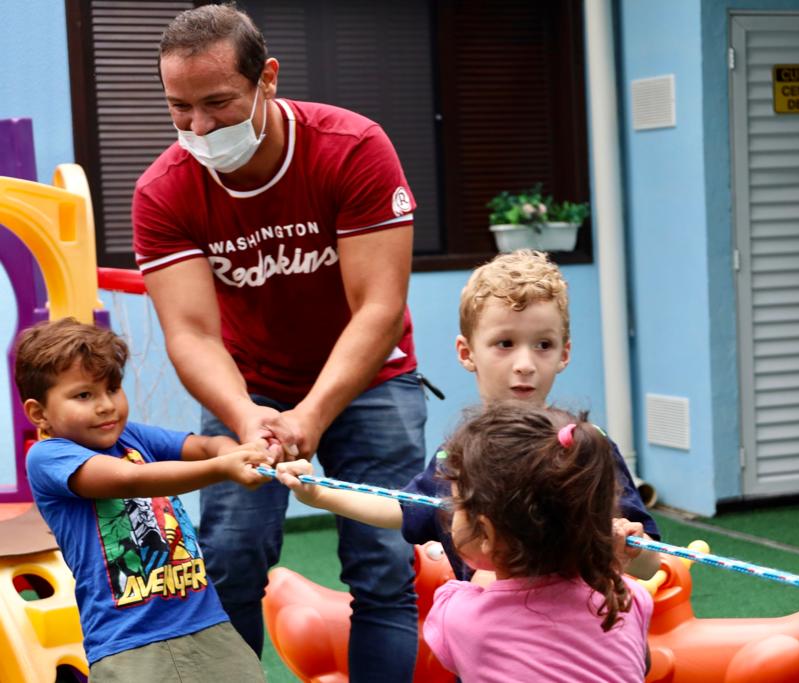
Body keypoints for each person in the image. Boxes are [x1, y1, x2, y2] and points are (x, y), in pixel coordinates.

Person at [131, 5, 426, 677]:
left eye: (217, 104)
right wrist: (246, 416)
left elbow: (379, 308)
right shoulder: (163, 192)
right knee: (231, 554)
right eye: (180, 109)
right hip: (251, 383)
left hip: (372, 377)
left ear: (267, 78)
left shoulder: (351, 148)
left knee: (382, 563)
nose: (199, 129)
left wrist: (313, 414)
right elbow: (192, 333)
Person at [278, 249, 661, 581]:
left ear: (564, 353)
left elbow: (648, 565)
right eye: (504, 344)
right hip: (484, 654)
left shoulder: (584, 446)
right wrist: (320, 493)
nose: (525, 363)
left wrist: (631, 547)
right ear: (466, 353)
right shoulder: (460, 454)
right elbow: (405, 508)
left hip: (575, 652)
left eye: (543, 344)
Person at [15, 318, 269, 680]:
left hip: (208, 624)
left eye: (113, 388)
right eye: (84, 395)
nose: (106, 406)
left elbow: (204, 444)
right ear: (39, 413)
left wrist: (242, 449)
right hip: (129, 642)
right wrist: (225, 467)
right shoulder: (48, 457)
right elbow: (130, 480)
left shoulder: (134, 437)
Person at [424, 402, 653, 682]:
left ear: (486, 533)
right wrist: (607, 562)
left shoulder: (460, 616)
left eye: (456, 505)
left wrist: (494, 556)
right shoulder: (628, 596)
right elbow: (639, 661)